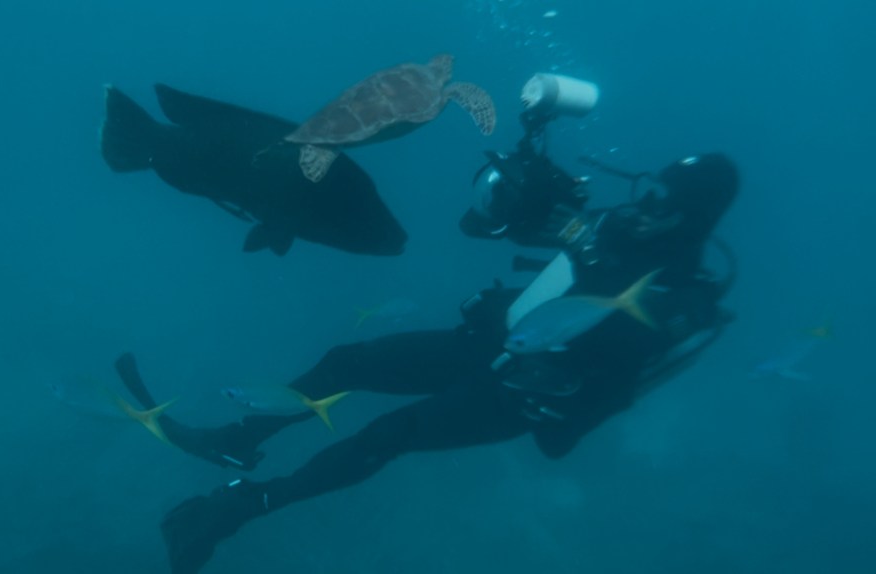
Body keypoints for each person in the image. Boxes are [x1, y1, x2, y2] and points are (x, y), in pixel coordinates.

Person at [113, 75, 740, 573]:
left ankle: (244, 506)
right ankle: (238, 436)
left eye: (661, 202)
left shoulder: (687, 296)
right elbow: (482, 226)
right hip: (492, 342)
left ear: (692, 219)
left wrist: (590, 253)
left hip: (528, 396)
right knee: (347, 362)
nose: (641, 206)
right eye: (647, 188)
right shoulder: (617, 227)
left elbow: (621, 346)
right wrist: (520, 185)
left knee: (392, 432)